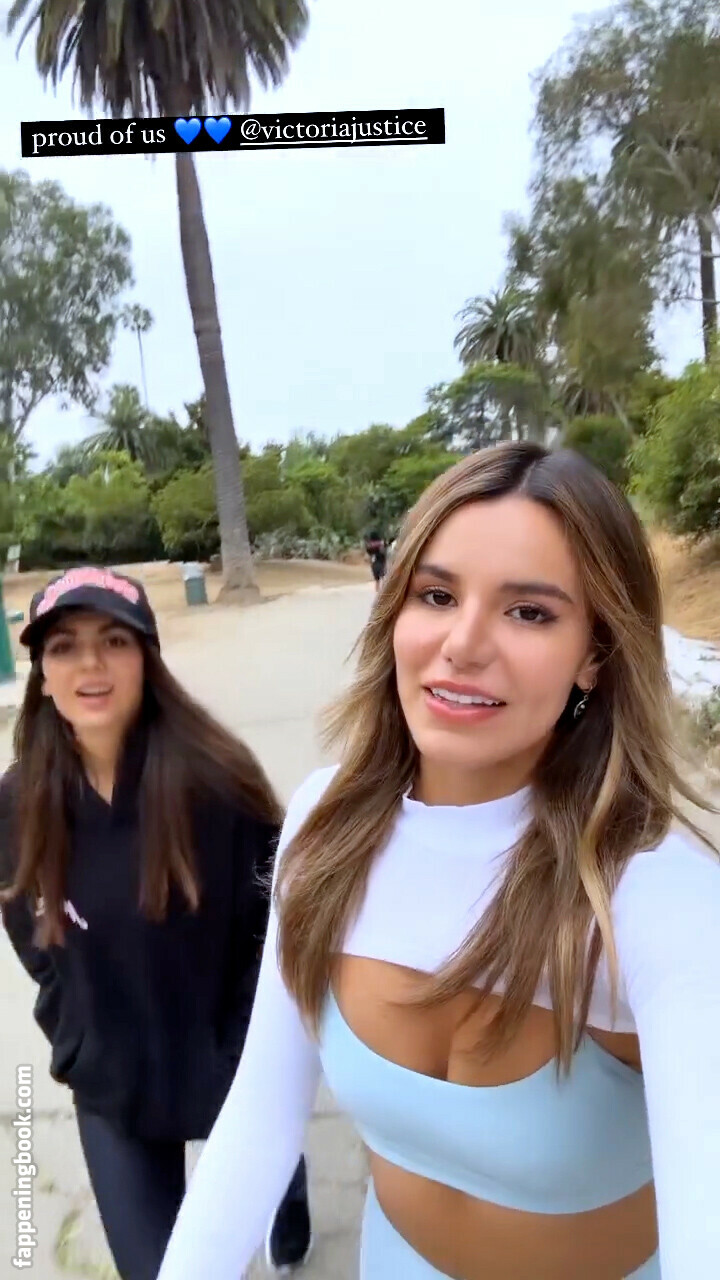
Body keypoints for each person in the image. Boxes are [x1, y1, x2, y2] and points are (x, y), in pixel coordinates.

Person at [157, 442, 720, 1280]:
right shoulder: (326, 820)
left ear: (595, 654)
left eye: (528, 612)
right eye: (437, 595)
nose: (463, 643)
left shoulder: (654, 890)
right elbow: (260, 1121)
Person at [0, 566, 313, 1280]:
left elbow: (275, 933)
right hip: (113, 1087)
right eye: (64, 647)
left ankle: (288, 1188)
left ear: (147, 659)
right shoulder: (17, 805)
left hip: (228, 1074)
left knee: (268, 1198)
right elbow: (27, 928)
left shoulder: (217, 784)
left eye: (114, 641)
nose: (90, 665)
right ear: (42, 674)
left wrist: (250, 1060)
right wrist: (75, 1032)